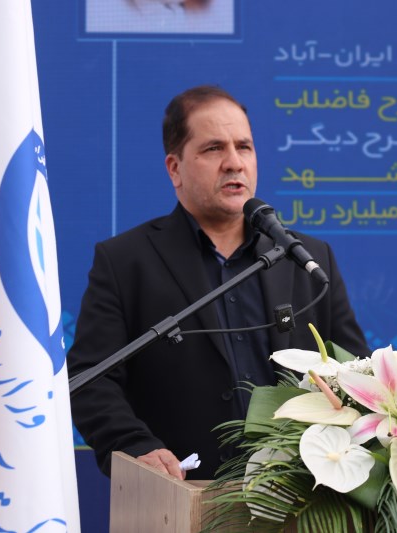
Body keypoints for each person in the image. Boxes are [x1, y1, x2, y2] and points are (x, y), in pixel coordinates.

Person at [67, 85, 368, 480]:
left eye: (244, 147)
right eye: (213, 149)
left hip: (298, 494)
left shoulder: (305, 258)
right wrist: (135, 447)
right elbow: (90, 379)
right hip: (178, 491)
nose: (234, 163)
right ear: (174, 168)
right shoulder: (126, 261)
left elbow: (357, 373)